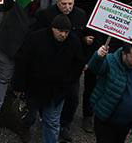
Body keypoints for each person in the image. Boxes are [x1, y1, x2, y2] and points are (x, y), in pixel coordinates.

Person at [13, 14, 86, 143]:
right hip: (34, 88)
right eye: (60, 31)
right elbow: (22, 62)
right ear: (53, 28)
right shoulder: (36, 38)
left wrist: (68, 82)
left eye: (66, 32)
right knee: (30, 116)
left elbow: (78, 64)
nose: (63, 35)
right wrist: (18, 85)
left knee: (52, 122)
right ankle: (24, 127)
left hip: (57, 91)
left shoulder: (73, 42)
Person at [88, 43, 132, 143]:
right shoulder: (110, 61)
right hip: (106, 123)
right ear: (124, 54)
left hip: (125, 125)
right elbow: (94, 68)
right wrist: (98, 56)